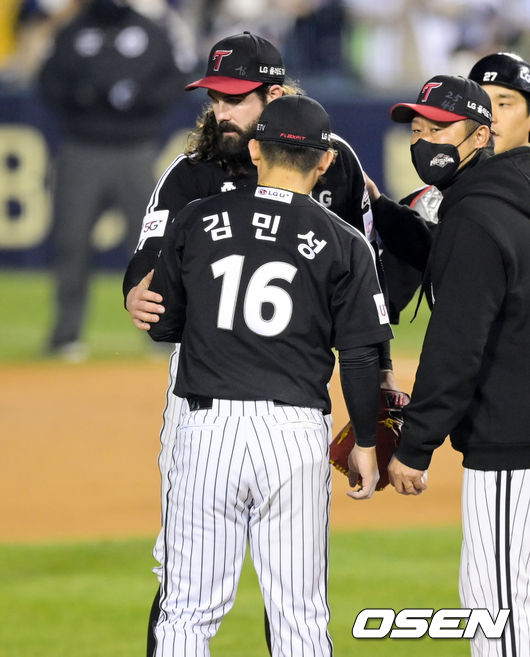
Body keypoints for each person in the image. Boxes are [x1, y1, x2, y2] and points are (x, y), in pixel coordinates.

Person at [121, 30, 399, 655]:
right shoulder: (192, 173)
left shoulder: (334, 160)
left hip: (219, 411)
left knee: (192, 601)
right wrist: (135, 292)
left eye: (235, 98)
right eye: (214, 96)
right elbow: (142, 270)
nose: (220, 111)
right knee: (290, 603)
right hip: (268, 405)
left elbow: (367, 268)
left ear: (273, 96)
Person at [385, 75, 530, 657]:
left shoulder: (474, 217)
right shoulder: (509, 196)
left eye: (439, 127)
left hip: (511, 449)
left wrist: (415, 446)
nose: (424, 139)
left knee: (499, 616)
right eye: (417, 128)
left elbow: (455, 345)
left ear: (481, 134)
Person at [38, 0, 181, 360]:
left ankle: (161, 334)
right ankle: (65, 335)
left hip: (135, 149)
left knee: (152, 244)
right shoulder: (73, 30)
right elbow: (49, 81)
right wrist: (83, 96)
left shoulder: (151, 31)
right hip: (82, 147)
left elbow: (173, 78)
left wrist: (140, 100)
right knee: (71, 242)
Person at [367, 51, 530, 323]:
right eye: (485, 103)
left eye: (504, 104)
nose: (493, 116)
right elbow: (379, 300)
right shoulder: (429, 205)